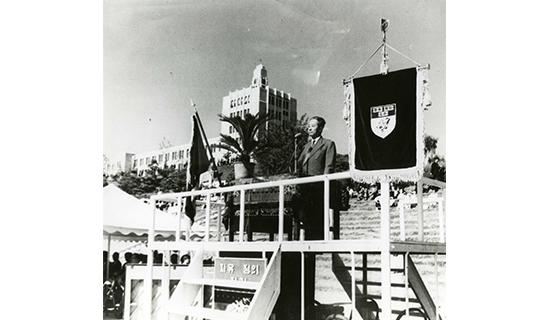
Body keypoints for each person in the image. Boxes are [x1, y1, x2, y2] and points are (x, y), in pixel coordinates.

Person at [278, 116, 337, 320]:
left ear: (321, 127)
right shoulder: (303, 146)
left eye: (313, 126)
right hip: (303, 189)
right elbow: (299, 166)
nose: (309, 129)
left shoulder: (328, 144)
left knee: (313, 221)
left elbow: (329, 167)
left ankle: (312, 233)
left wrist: (324, 184)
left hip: (318, 189)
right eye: (308, 126)